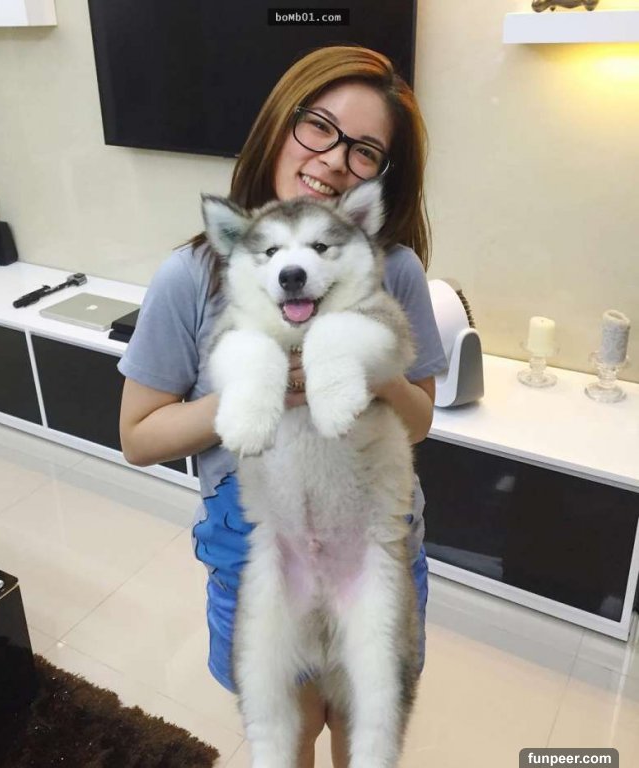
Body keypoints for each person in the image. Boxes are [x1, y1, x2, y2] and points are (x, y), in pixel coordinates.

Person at [118, 45, 447, 768]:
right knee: (286, 735)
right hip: (260, 551)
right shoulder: (191, 275)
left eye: (364, 150)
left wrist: (369, 370)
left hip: (379, 545)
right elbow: (138, 437)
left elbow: (420, 420)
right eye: (319, 126)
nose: (333, 160)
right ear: (278, 122)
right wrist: (260, 391)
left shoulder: (393, 269)